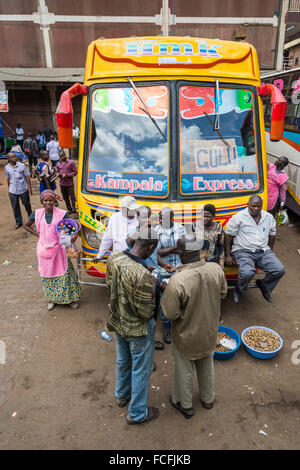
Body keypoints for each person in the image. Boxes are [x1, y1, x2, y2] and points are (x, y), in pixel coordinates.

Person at [160, 233, 227, 419]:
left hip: (186, 335)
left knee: (184, 370)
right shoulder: (216, 269)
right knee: (206, 364)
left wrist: (166, 291)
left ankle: (185, 404)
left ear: (180, 253)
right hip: (209, 332)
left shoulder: (177, 281)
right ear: (199, 250)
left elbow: (169, 313)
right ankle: (208, 399)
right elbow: (222, 294)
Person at [105, 227, 159, 425]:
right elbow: (145, 312)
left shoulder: (115, 257)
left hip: (118, 320)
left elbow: (110, 284)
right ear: (150, 247)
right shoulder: (142, 275)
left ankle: (121, 395)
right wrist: (152, 285)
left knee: (122, 360)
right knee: (141, 370)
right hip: (138, 329)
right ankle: (136, 413)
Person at [23, 190, 82, 311]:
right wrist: (38, 235)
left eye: (50, 200)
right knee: (47, 275)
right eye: (45, 200)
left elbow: (70, 230)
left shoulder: (62, 214)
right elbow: (26, 225)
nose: (48, 202)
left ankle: (70, 300)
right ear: (42, 202)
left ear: (54, 201)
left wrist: (73, 236)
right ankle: (52, 299)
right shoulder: (37, 214)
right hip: (43, 251)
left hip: (59, 250)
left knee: (65, 275)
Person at [224, 195, 285, 304]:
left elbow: (272, 235)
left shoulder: (268, 217)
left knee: (279, 269)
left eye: (258, 206)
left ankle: (264, 285)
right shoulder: (239, 217)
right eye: (253, 206)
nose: (255, 208)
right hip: (243, 251)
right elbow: (228, 235)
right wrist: (228, 255)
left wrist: (270, 251)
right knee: (247, 272)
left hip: (262, 250)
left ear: (261, 206)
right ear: (248, 205)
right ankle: (239, 289)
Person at [155, 207, 186, 344]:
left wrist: (177, 249)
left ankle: (180, 325)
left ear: (172, 218)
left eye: (165, 218)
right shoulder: (156, 232)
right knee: (165, 301)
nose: (162, 220)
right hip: (163, 270)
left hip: (180, 268)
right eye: (160, 217)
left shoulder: (181, 229)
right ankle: (167, 328)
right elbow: (156, 254)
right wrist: (174, 248)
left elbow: (185, 247)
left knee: (182, 297)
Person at [93, 196, 139, 261]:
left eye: (134, 209)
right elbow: (107, 238)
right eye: (130, 209)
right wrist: (99, 256)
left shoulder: (140, 220)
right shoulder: (114, 218)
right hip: (117, 259)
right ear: (123, 208)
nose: (132, 211)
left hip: (134, 260)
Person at [5, 152, 32, 229]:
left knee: (27, 204)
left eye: (15, 157)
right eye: (12, 157)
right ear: (9, 159)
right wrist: (9, 189)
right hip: (12, 190)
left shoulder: (22, 166)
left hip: (23, 189)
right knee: (15, 207)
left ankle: (31, 219)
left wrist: (29, 188)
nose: (14, 158)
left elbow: (27, 177)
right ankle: (19, 222)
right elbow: (8, 179)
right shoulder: (7, 168)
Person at [56, 150, 78, 216]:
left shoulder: (71, 162)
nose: (62, 157)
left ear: (65, 155)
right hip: (62, 184)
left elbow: (75, 172)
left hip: (70, 184)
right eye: (60, 156)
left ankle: (75, 210)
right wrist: (59, 174)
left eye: (63, 155)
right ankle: (69, 209)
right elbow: (57, 172)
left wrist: (67, 175)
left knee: (73, 198)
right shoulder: (58, 164)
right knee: (65, 198)